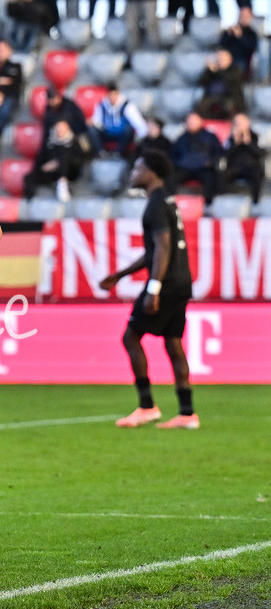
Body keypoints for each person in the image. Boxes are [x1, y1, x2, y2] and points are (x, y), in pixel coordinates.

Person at [100, 150, 197, 430]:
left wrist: (153, 288)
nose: (133, 173)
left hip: (165, 283)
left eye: (138, 168)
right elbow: (154, 251)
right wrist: (120, 275)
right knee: (173, 342)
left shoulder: (155, 204)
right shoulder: (167, 200)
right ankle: (187, 413)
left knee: (131, 337)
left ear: (151, 173)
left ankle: (146, 406)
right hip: (181, 281)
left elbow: (163, 248)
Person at [23, 119, 87, 201]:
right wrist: (45, 167)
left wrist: (58, 163)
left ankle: (62, 184)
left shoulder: (74, 142)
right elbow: (40, 160)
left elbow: (78, 160)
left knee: (63, 158)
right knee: (29, 177)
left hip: (70, 172)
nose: (59, 130)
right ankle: (30, 200)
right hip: (52, 172)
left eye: (62, 128)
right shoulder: (49, 144)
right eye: (58, 128)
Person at [171, 112, 223, 204]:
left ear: (200, 121)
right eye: (189, 121)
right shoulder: (181, 138)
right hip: (184, 169)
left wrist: (210, 162)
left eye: (194, 120)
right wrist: (179, 163)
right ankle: (170, 203)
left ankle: (208, 204)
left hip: (204, 168)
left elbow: (218, 152)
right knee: (170, 178)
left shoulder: (210, 137)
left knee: (211, 177)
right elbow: (173, 155)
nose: (191, 123)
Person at [90, 83, 147, 157]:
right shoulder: (101, 105)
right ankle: (101, 152)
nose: (112, 98)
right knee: (91, 129)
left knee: (128, 129)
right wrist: (92, 123)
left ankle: (118, 153)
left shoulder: (127, 105)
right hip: (107, 132)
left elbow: (138, 122)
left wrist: (142, 136)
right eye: (110, 95)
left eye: (114, 95)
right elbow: (97, 121)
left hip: (121, 135)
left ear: (118, 94)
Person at [223, 112, 265, 204]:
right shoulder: (230, 138)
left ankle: (256, 203)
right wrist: (235, 143)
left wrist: (248, 143)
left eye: (242, 122)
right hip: (234, 167)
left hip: (251, 167)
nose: (239, 125)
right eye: (237, 123)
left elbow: (261, 154)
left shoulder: (256, 136)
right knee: (220, 176)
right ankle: (223, 202)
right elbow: (225, 155)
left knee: (257, 175)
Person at [197, 49, 246, 120]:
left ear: (229, 59)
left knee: (228, 106)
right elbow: (201, 82)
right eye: (218, 58)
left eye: (222, 58)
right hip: (211, 97)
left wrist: (217, 71)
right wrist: (208, 71)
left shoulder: (235, 70)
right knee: (202, 105)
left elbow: (230, 79)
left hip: (229, 98)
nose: (220, 60)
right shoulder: (212, 71)